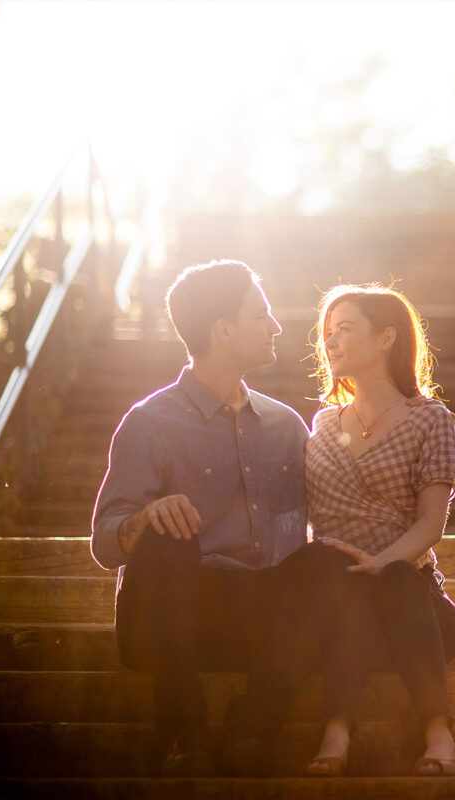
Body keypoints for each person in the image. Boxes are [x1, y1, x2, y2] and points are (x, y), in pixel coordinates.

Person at [90, 260, 331, 778]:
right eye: (261, 314)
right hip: (168, 622)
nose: (277, 326)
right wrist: (150, 516)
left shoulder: (287, 427)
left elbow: (326, 527)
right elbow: (106, 544)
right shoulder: (149, 423)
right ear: (223, 330)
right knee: (166, 531)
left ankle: (252, 727)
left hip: (260, 622)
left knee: (325, 563)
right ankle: (184, 731)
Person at [302, 284, 455, 778]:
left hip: (411, 605)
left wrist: (381, 560)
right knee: (346, 589)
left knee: (392, 577)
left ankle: (438, 731)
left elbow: (431, 523)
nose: (331, 342)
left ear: (386, 337)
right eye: (327, 333)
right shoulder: (324, 423)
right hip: (337, 598)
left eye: (345, 329)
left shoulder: (429, 420)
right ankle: (337, 730)